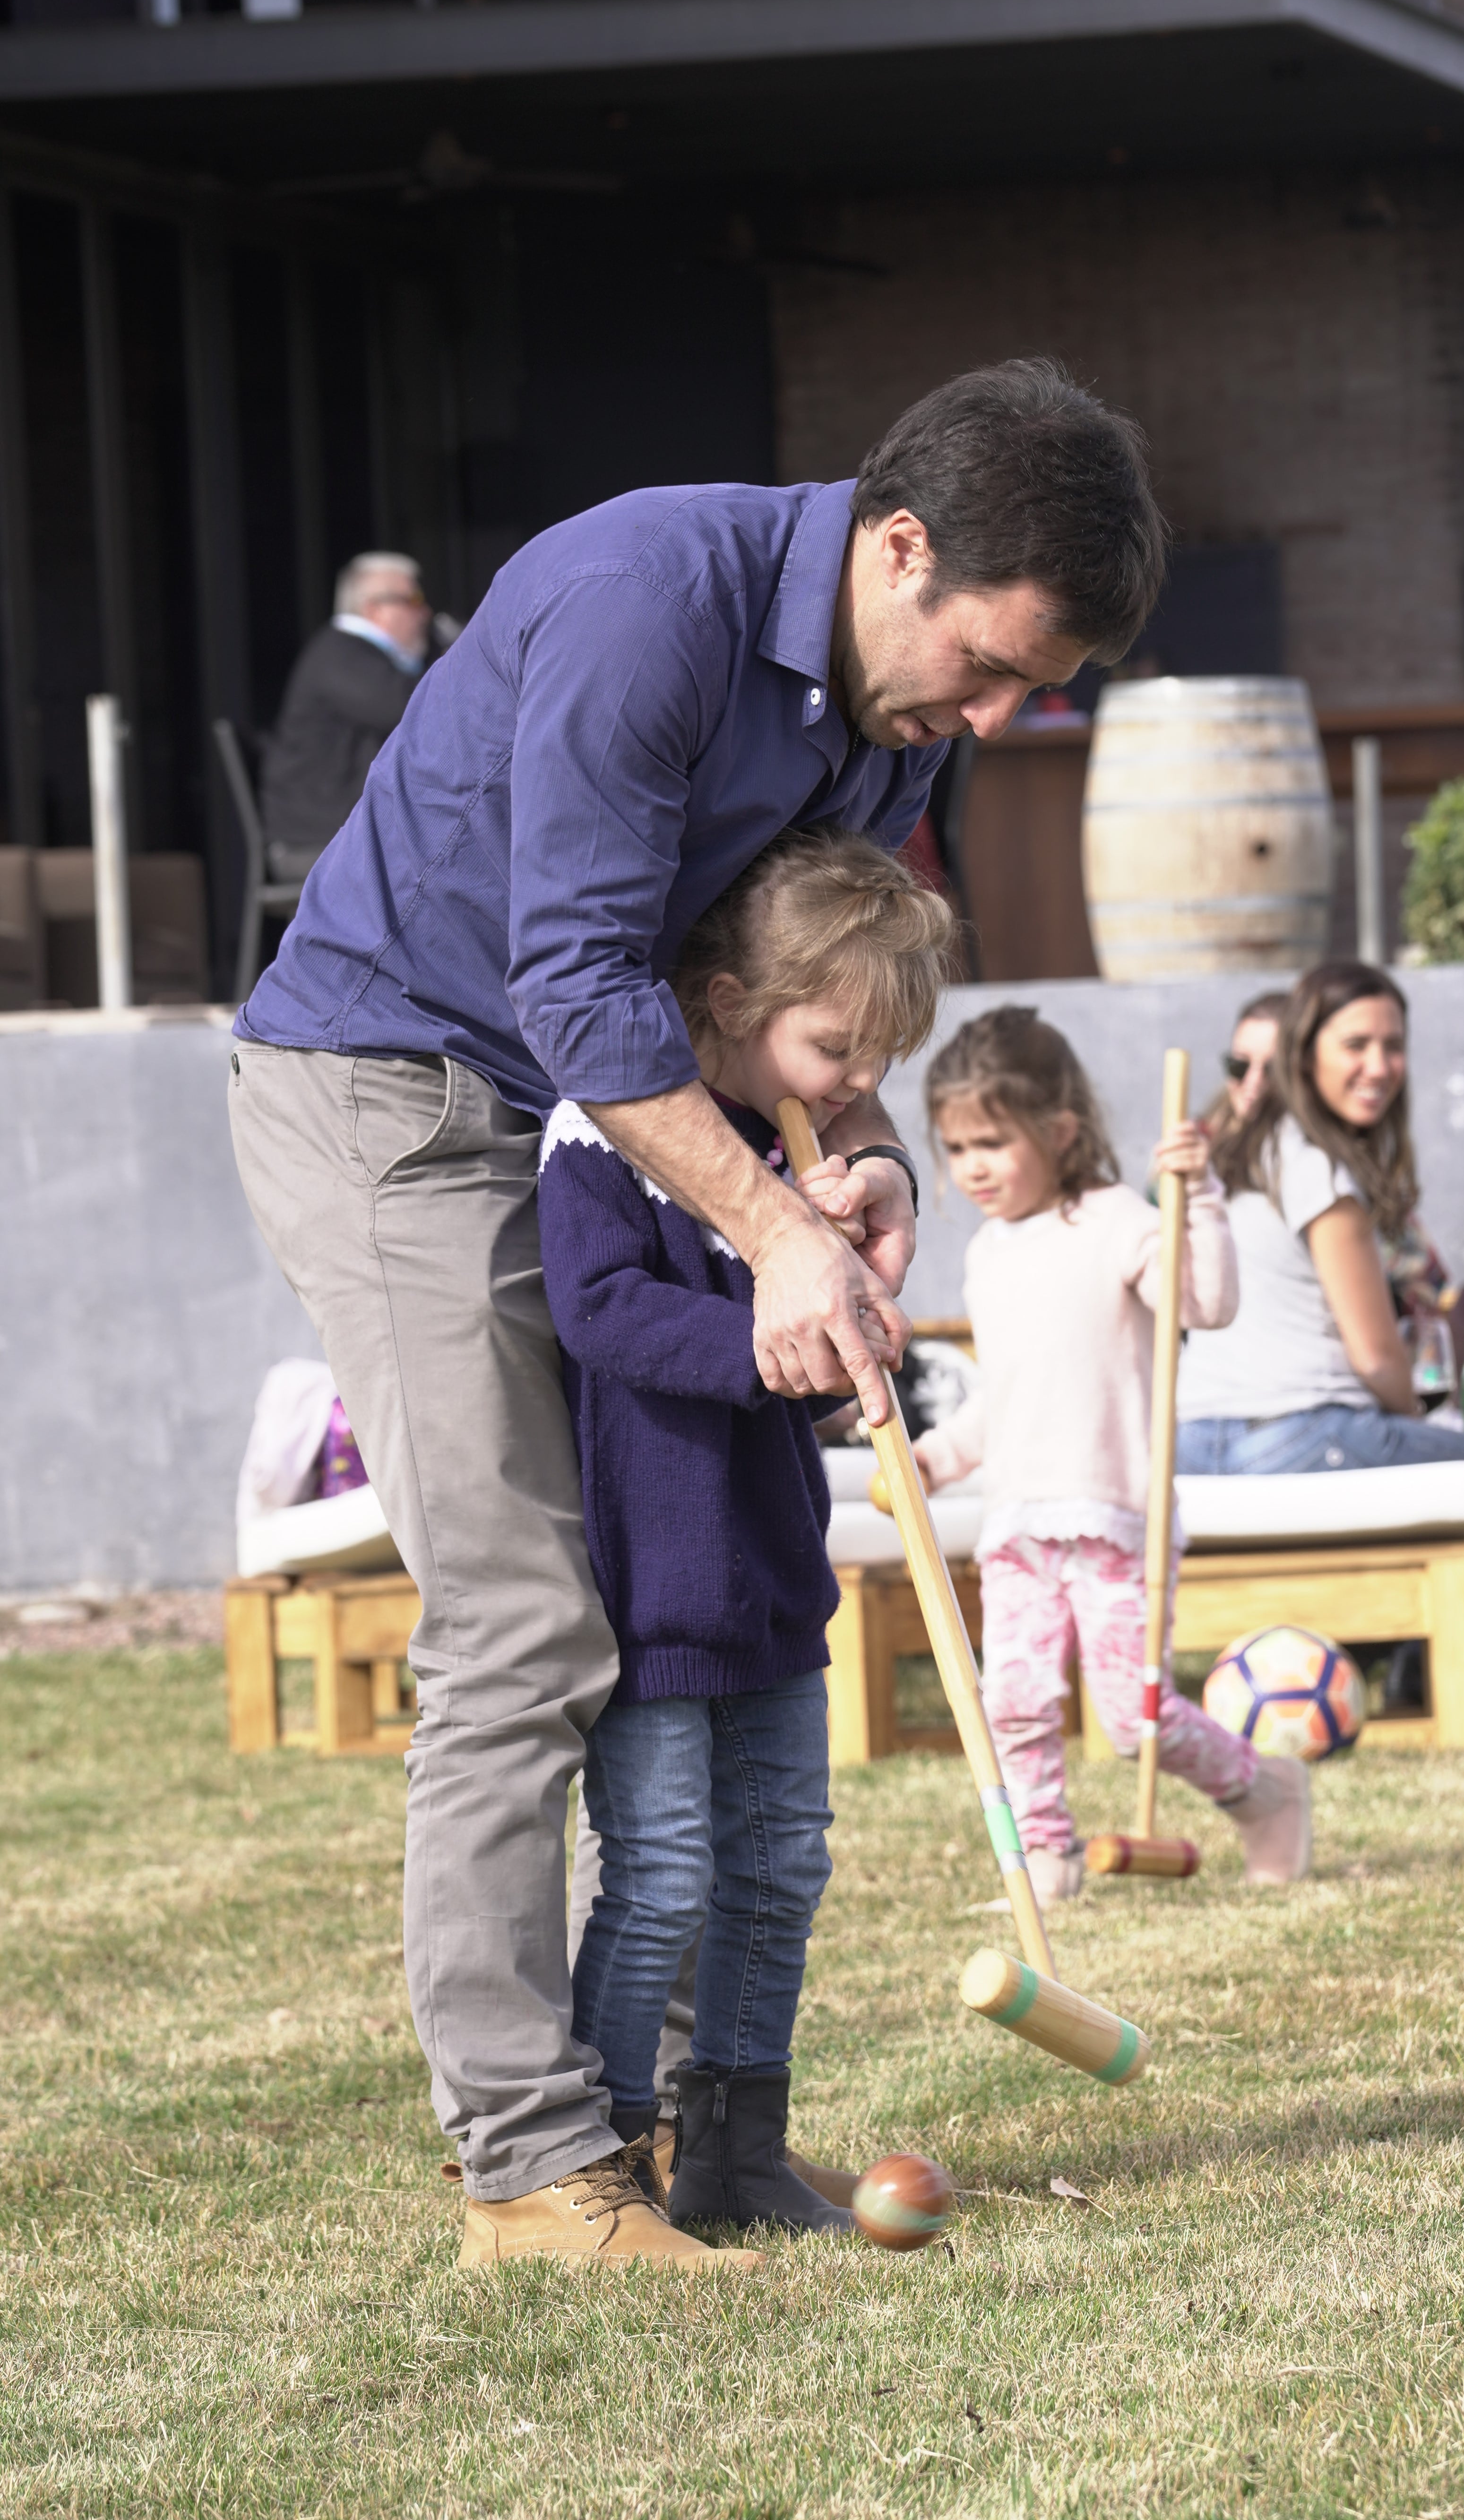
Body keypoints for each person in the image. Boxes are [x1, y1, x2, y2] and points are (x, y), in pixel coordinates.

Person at [228, 358, 1166, 2273]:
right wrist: (766, 1228)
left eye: (1024, 693)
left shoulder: (891, 708)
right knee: (526, 1614)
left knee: (665, 1620)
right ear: (899, 546)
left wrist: (858, 1153)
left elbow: (793, 965)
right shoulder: (649, 599)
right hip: (398, 1090)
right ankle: (524, 2166)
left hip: (615, 1109)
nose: (989, 720)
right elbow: (575, 978)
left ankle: (672, 2128)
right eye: (989, 670)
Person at [541, 827, 955, 2250]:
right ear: (725, 1001)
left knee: (781, 1868)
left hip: (774, 1576)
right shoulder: (607, 1141)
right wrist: (774, 1337)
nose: (854, 1091)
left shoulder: (795, 1171)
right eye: (836, 1049)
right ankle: (608, 2157)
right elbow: (601, 1314)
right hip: (656, 1584)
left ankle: (738, 2149)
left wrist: (850, 1318)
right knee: (659, 1875)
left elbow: (808, 1323)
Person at [912, 1007, 1314, 1896]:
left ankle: (1268, 1793)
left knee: (1136, 1723)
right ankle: (1046, 1857)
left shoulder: (1114, 1219)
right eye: (955, 1147)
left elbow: (1202, 1305)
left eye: (990, 1142)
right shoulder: (986, 1254)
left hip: (1115, 1518)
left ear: (1058, 1131)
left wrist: (1196, 1199)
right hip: (1018, 1522)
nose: (970, 1167)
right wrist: (938, 1457)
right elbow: (1008, 1396)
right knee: (1012, 1705)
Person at [1177, 960, 1464, 1707]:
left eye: (1392, 1045)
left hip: (1191, 1439)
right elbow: (1376, 1354)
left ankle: (1351, 1653)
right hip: (1300, 1433)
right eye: (1356, 1044)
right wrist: (1409, 1418)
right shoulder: (1318, 1164)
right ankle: (1398, 1648)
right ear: (1306, 1051)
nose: (1378, 1065)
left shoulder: (1242, 1154)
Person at [259, 553, 433, 877]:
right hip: (320, 843)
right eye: (413, 599)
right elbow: (413, 710)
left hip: (344, 835)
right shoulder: (342, 656)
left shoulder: (354, 656)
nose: (424, 612)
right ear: (374, 608)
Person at [1208, 990, 1289, 1143]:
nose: (1254, 1082)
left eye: (1273, 1069)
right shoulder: (1205, 1134)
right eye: (1240, 1065)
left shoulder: (1306, 1152)